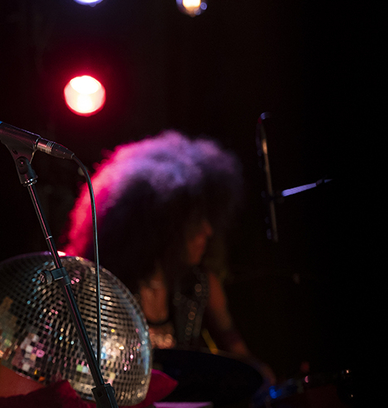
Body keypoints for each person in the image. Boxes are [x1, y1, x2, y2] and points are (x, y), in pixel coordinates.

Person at [64, 130, 257, 359]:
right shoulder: (102, 289)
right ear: (159, 226)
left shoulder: (199, 284)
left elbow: (241, 358)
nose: (208, 230)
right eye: (194, 222)